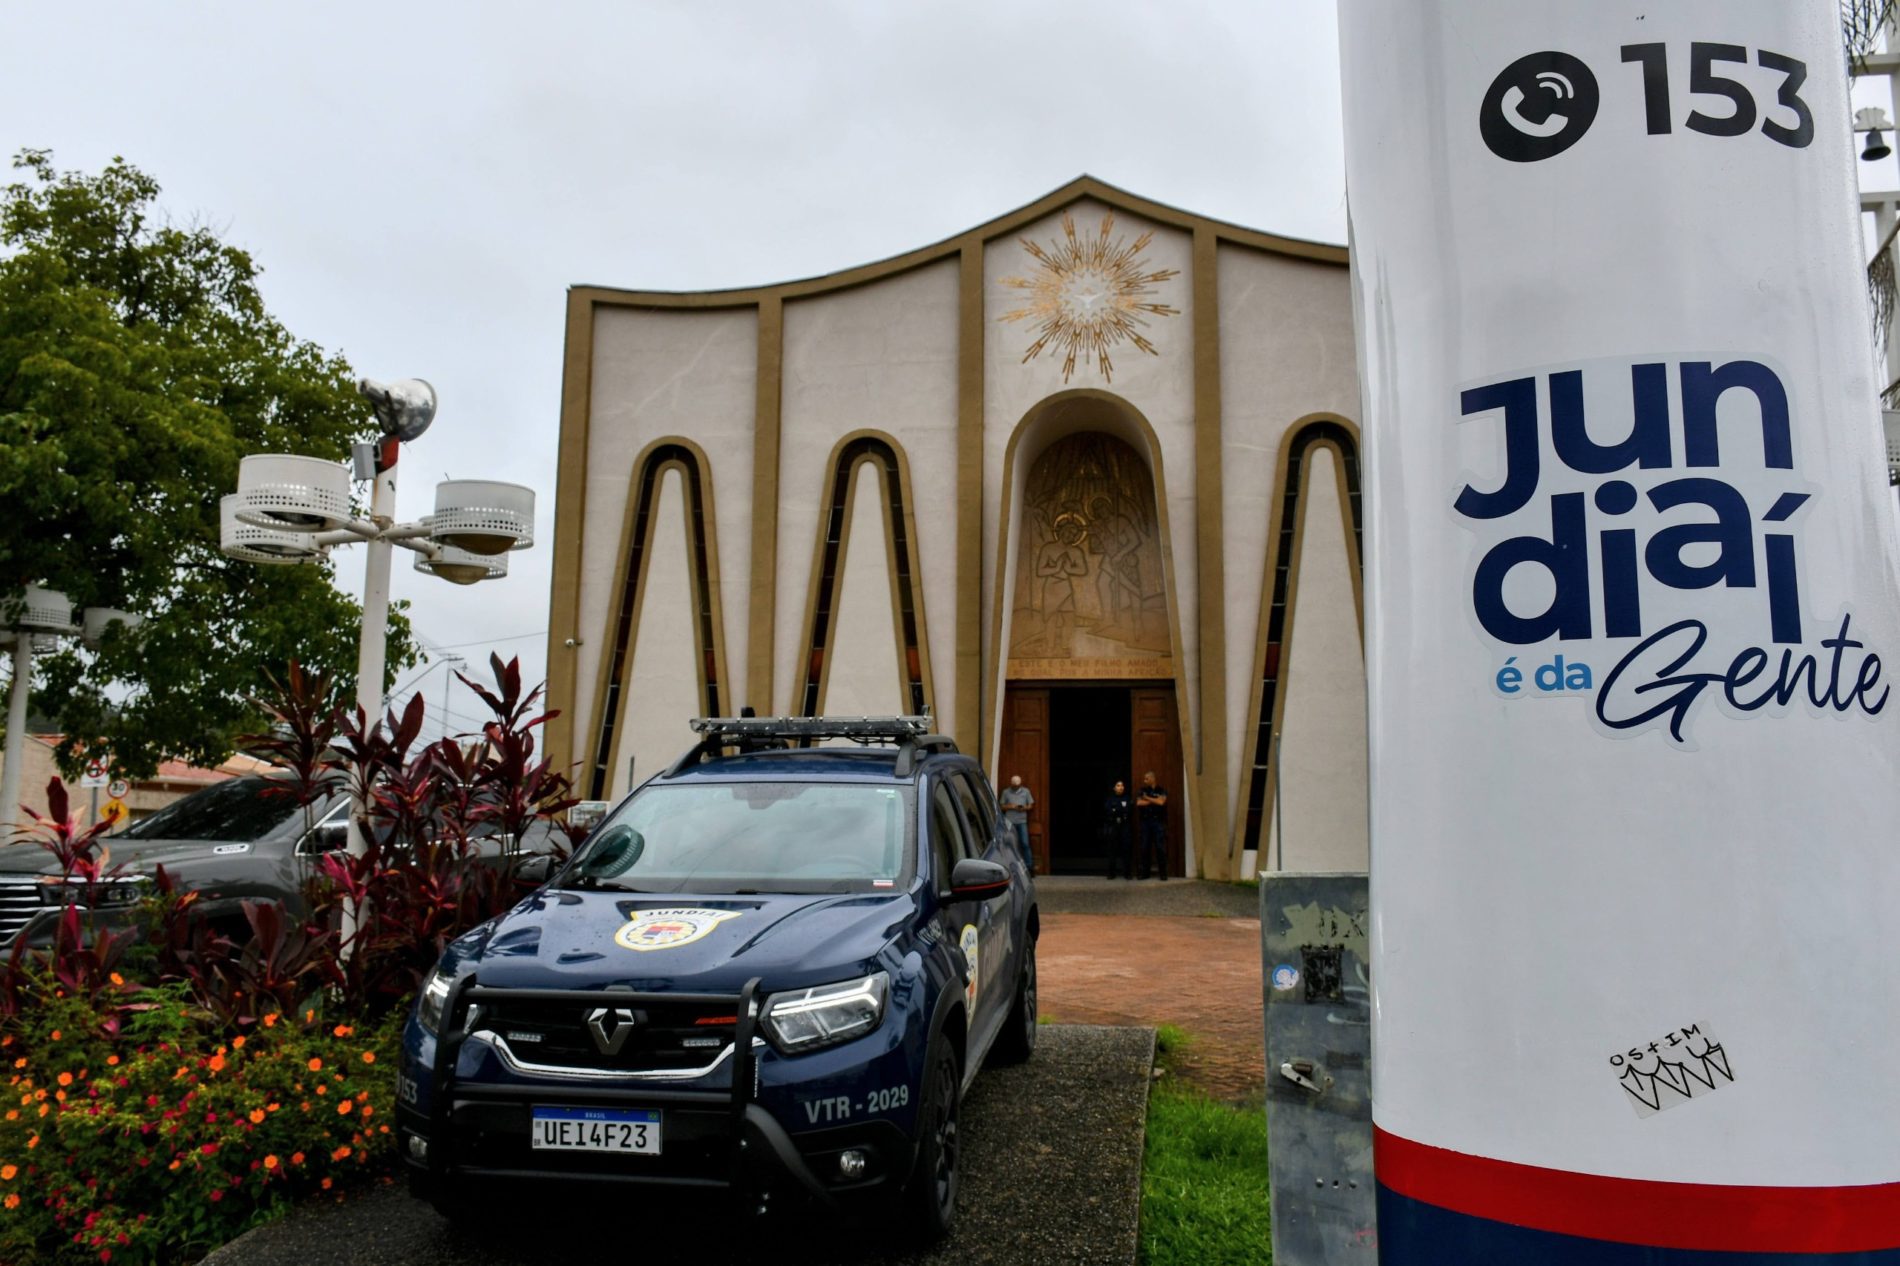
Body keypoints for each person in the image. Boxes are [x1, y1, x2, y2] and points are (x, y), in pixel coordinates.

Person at [1135, 771, 1169, 880]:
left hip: (1158, 823)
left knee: (1160, 848)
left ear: (1153, 779)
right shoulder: (1142, 790)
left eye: (1146, 778)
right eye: (1144, 779)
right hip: (1145, 823)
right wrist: (1155, 800)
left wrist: (1148, 799)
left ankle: (1163, 873)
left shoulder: (1161, 790)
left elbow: (1162, 802)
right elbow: (1139, 803)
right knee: (1145, 848)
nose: (1144, 781)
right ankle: (1145, 873)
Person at [999, 775, 1035, 874]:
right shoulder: (1006, 792)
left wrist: (1024, 808)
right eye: (1014, 786)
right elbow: (1001, 806)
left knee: (1025, 843)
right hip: (1009, 822)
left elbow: (1030, 805)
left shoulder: (1026, 791)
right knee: (1010, 844)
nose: (1015, 787)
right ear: (1011, 784)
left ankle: (1029, 867)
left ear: (1020, 784)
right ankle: (1009, 867)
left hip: (1022, 821)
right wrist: (1010, 806)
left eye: (1017, 786)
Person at [1100, 779, 1133, 879]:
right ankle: (1111, 873)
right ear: (1114, 788)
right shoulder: (1110, 799)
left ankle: (1127, 873)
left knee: (1126, 849)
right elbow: (1108, 811)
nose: (1121, 787)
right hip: (1113, 826)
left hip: (1125, 827)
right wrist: (1119, 810)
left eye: (1122, 785)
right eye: (1118, 785)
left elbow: (1128, 810)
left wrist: (1116, 809)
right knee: (1112, 850)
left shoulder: (1127, 798)